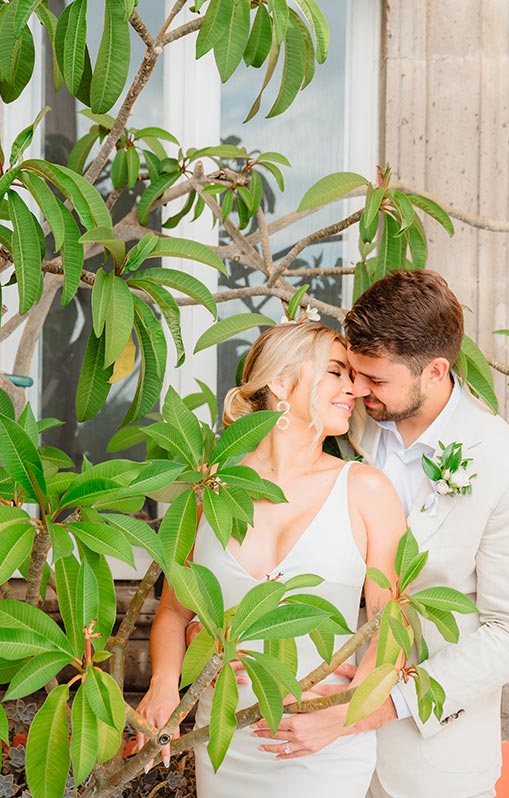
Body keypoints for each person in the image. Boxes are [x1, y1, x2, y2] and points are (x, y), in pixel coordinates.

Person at [256, 270, 509, 798]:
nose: (356, 389)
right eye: (352, 372)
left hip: (428, 763)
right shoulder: (341, 421)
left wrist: (381, 704)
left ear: (435, 371)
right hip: (305, 749)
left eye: (375, 380)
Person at [136, 321, 407, 798]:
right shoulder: (211, 489)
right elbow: (175, 613)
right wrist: (163, 687)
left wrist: (342, 717)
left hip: (322, 746)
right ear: (282, 382)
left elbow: (393, 626)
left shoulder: (365, 489)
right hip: (223, 739)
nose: (354, 388)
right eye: (336, 372)